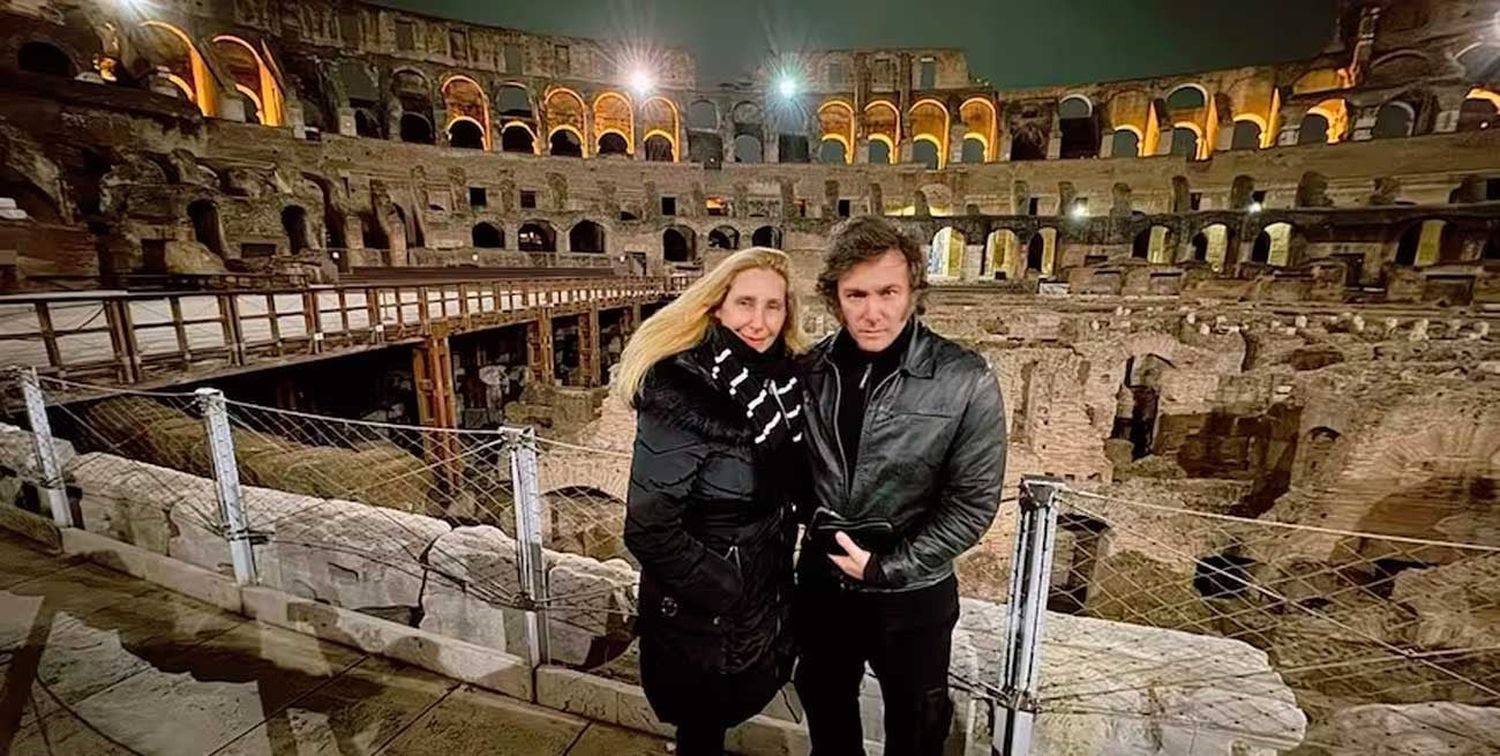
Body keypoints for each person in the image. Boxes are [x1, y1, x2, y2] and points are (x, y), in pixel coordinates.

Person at [794, 216, 1006, 755]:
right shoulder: (808, 371)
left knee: (916, 732)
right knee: (827, 723)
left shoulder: (965, 378)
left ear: (914, 291)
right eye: (856, 294)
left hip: (912, 596)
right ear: (834, 298)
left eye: (888, 291)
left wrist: (886, 568)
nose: (872, 311)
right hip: (822, 589)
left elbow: (973, 504)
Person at [617, 247, 812, 755]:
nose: (759, 321)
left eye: (773, 306)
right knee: (701, 726)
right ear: (716, 306)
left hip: (760, 592)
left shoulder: (784, 383)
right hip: (704, 605)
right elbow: (648, 527)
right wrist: (728, 586)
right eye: (745, 303)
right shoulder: (684, 390)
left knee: (717, 718)